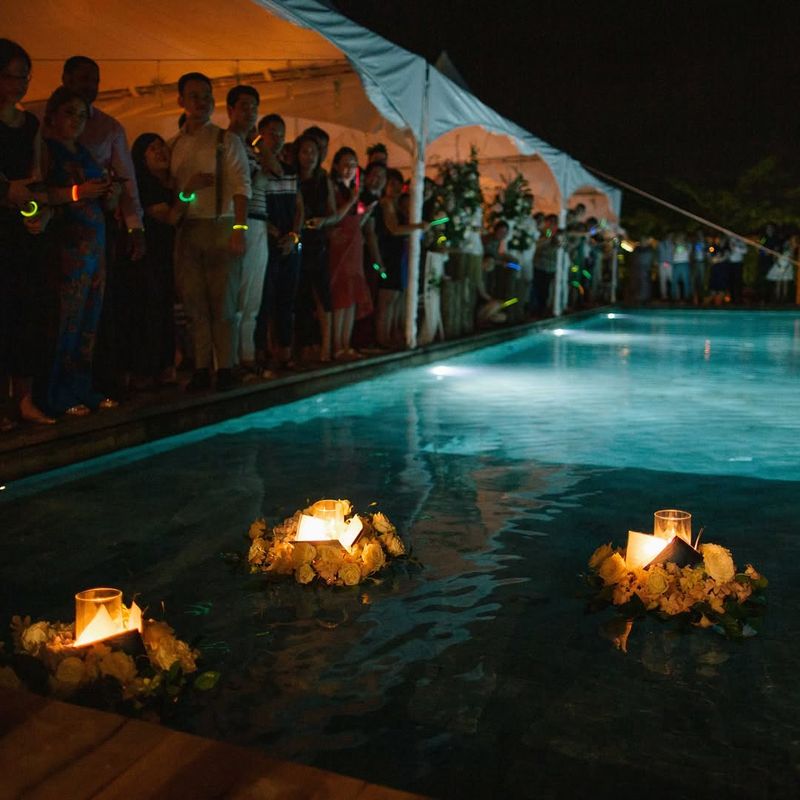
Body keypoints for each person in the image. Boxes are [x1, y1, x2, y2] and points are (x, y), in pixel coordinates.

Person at [59, 56, 145, 401]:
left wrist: (134, 225)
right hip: (57, 230)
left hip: (94, 231)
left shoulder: (109, 128)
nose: (89, 87)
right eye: (82, 79)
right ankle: (53, 389)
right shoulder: (42, 123)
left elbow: (126, 181)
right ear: (65, 79)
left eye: (94, 80)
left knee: (93, 310)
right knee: (59, 313)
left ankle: (88, 384)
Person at [169, 71, 251, 392]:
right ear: (181, 101)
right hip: (189, 228)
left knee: (223, 302)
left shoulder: (225, 140)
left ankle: (226, 367)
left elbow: (240, 184)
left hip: (221, 223)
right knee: (195, 303)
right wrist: (187, 194)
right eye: (194, 96)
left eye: (206, 96)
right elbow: (176, 194)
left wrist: (239, 227)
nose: (202, 102)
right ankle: (203, 367)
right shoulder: (173, 145)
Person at [43, 87, 120, 416]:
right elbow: (43, 194)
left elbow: (102, 198)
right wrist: (78, 191)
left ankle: (81, 386)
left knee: (89, 319)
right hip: (68, 244)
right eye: (69, 113)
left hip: (95, 244)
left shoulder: (86, 153)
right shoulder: (46, 150)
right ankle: (54, 392)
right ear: (53, 115)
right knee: (65, 320)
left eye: (81, 115)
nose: (75, 120)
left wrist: (109, 194)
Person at [0, 38, 55, 429]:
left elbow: (37, 178)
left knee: (25, 312)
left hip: (20, 227)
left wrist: (40, 211)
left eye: (25, 76)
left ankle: (24, 398)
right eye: (13, 76)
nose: (20, 84)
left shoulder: (30, 123)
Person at [128, 133, 193, 389]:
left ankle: (166, 366)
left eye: (162, 146)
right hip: (149, 258)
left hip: (168, 256)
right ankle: (148, 370)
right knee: (151, 311)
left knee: (164, 310)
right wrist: (188, 194)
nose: (160, 151)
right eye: (152, 149)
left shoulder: (169, 184)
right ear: (141, 158)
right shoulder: (146, 186)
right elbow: (171, 217)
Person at [254, 113, 304, 370]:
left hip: (289, 242)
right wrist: (271, 231)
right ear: (260, 135)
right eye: (272, 132)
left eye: (282, 134)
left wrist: (294, 235)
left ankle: (284, 352)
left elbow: (298, 206)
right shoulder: (254, 167)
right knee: (263, 298)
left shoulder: (290, 171)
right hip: (264, 240)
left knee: (286, 298)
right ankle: (259, 353)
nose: (278, 138)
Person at [226, 85, 268, 373]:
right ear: (230, 109)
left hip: (259, 222)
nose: (250, 112)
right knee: (239, 293)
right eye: (244, 106)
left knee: (252, 293)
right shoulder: (228, 142)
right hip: (242, 220)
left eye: (254, 106)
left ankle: (246, 354)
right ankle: (234, 358)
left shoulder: (251, 148)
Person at [374, 168, 427, 347]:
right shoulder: (386, 203)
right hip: (387, 254)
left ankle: (389, 335)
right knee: (387, 300)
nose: (396, 188)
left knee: (395, 299)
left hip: (396, 255)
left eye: (399, 185)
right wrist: (418, 226)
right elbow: (394, 229)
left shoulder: (397, 205)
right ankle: (382, 338)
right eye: (392, 184)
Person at [295, 133, 337, 361]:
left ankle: (325, 348)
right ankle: (304, 346)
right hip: (298, 240)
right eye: (305, 151)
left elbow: (332, 213)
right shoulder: (292, 178)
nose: (309, 156)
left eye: (313, 152)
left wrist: (324, 222)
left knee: (322, 294)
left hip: (317, 241)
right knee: (300, 295)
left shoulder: (323, 179)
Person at [328, 147, 371, 359]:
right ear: (336, 166)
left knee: (352, 296)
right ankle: (337, 346)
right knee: (340, 296)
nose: (349, 168)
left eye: (353, 164)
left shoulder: (351, 191)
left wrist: (366, 211)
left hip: (354, 247)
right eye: (345, 164)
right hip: (339, 247)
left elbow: (356, 221)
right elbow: (334, 217)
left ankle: (346, 344)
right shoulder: (333, 188)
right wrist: (352, 202)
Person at [671, 231, 691, 301]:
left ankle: (687, 297)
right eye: (679, 237)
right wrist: (676, 245)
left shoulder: (688, 244)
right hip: (676, 264)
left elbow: (689, 252)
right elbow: (672, 253)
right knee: (674, 281)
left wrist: (683, 244)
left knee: (686, 281)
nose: (680, 238)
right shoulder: (674, 245)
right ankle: (673, 297)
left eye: (682, 237)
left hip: (684, 264)